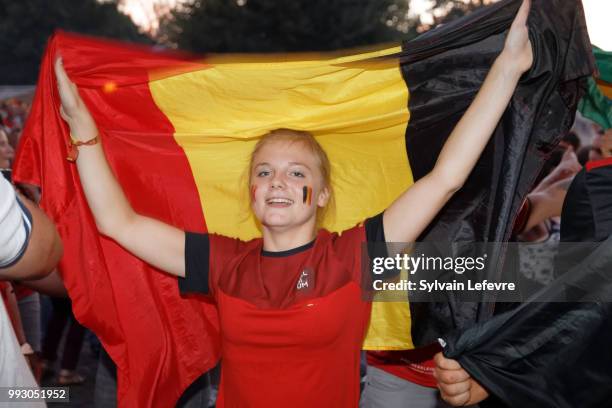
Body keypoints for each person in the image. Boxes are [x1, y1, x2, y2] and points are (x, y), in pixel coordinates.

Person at [54, 0, 532, 405]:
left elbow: (444, 179)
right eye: (264, 172)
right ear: (252, 192)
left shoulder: (352, 256)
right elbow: (120, 222)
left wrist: (507, 69)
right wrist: (84, 132)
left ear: (322, 195)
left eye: (296, 172)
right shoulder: (223, 261)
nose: (277, 182)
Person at [433, 129, 612, 406]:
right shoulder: (589, 187)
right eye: (599, 152)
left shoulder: (595, 188)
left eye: (606, 155)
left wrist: (502, 366)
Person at [0, 174, 62, 401]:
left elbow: (7, 288)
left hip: (23, 295)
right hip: (7, 389)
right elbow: (44, 253)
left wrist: (23, 343)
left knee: (34, 379)